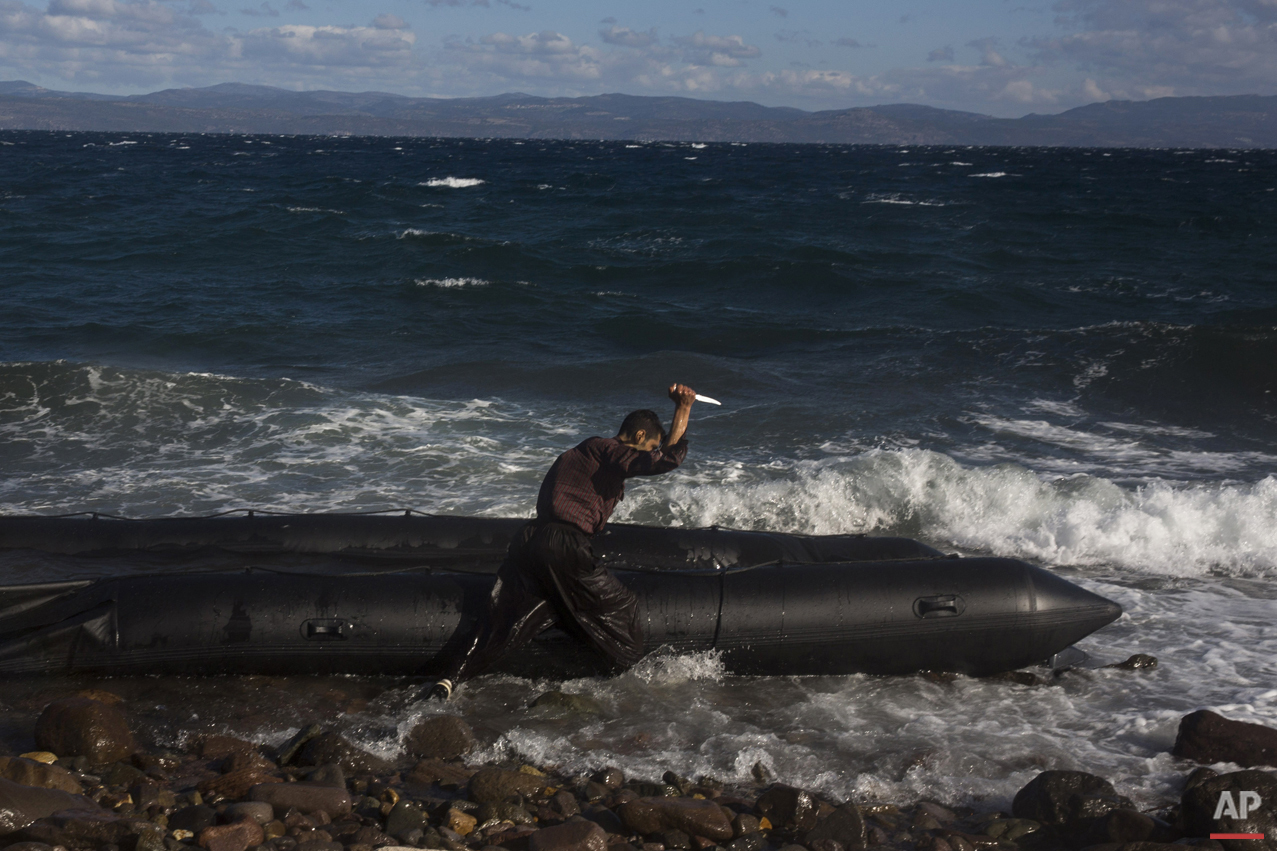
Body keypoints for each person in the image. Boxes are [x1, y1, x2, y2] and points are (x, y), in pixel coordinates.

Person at [426, 383, 697, 700]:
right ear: (638, 437)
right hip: (563, 545)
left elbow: (660, 453)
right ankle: (627, 689)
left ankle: (448, 680)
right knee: (623, 606)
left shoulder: (579, 455)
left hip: (530, 542)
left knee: (503, 620)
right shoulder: (605, 448)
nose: (648, 452)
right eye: (648, 445)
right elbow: (662, 460)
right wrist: (684, 407)